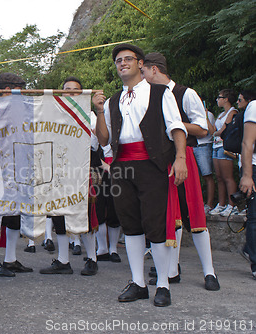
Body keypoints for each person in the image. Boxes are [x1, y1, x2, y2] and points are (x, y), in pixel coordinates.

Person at [93, 43, 188, 307]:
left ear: (140, 64)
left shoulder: (160, 92)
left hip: (152, 164)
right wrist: (100, 111)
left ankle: (163, 285)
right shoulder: (113, 100)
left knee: (156, 225)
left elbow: (176, 126)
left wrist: (180, 158)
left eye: (128, 59)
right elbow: (104, 139)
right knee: (131, 226)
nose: (122, 63)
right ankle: (138, 283)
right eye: (118, 61)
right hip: (122, 166)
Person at [141, 52, 220, 291]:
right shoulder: (145, 97)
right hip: (159, 163)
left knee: (194, 214)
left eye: (143, 71)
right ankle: (172, 271)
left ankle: (210, 272)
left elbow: (203, 129)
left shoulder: (185, 94)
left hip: (185, 158)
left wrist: (172, 122)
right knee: (169, 217)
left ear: (154, 70)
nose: (141, 76)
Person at [39, 76, 99, 276]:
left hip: (81, 169)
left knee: (84, 213)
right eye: (67, 90)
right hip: (58, 169)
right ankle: (63, 260)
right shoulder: (53, 113)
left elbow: (97, 144)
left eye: (75, 90)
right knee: (58, 213)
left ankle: (92, 258)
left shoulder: (89, 114)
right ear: (61, 92)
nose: (71, 93)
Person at [0, 72, 34, 278]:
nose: (23, 92)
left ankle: (11, 259)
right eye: (19, 88)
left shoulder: (22, 106)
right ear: (7, 89)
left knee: (16, 212)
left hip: (19, 164)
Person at [210, 89, 239, 216]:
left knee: (228, 177)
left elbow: (222, 131)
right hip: (216, 146)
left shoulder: (232, 112)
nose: (217, 99)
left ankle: (232, 205)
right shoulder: (221, 114)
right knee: (219, 177)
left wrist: (215, 133)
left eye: (219, 97)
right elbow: (213, 130)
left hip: (225, 146)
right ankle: (221, 204)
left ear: (226, 99)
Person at [239, 99, 256, 279]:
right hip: (254, 167)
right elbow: (247, 143)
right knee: (255, 216)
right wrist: (247, 175)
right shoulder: (255, 107)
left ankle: (248, 248)